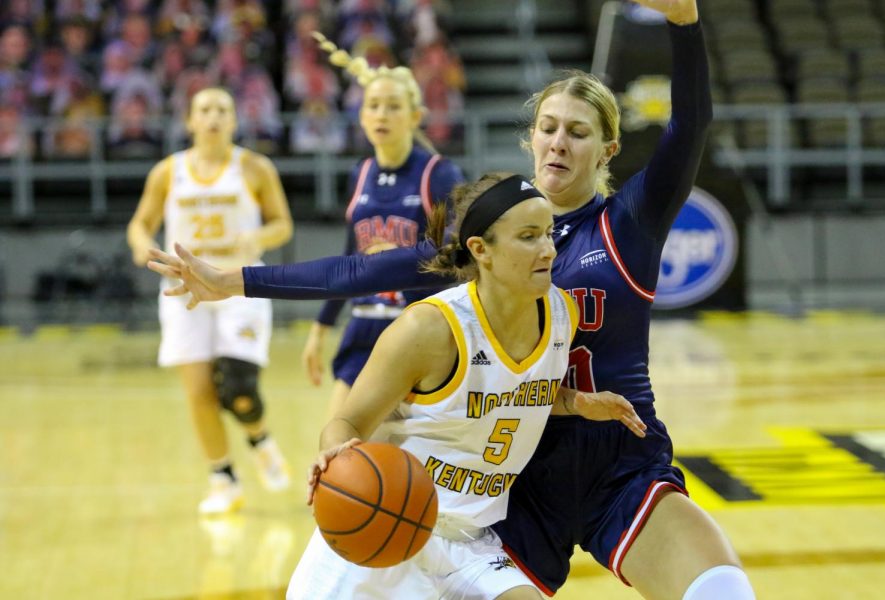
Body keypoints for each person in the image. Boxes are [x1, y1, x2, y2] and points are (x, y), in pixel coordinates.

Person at [147, 1, 757, 598]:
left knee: (722, 589)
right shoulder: (492, 232)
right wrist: (235, 281)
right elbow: (360, 269)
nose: (558, 144)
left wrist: (683, 21)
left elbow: (689, 127)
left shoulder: (629, 223)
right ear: (529, 140)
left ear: (608, 151)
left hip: (618, 461)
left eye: (578, 132)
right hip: (511, 476)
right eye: (547, 128)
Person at [294, 173, 644, 599]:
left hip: (471, 542)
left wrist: (574, 401)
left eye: (549, 233)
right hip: (382, 530)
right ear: (481, 249)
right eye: (529, 237)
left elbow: (515, 388)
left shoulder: (561, 313)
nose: (549, 250)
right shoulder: (429, 329)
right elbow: (349, 420)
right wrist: (333, 452)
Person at [127, 86, 294, 515]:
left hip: (239, 283)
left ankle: (259, 437)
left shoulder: (255, 167)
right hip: (184, 287)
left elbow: (282, 226)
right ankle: (223, 478)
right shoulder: (168, 171)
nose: (213, 116)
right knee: (199, 389)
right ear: (190, 121)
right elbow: (140, 224)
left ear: (235, 120)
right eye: (204, 109)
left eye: (223, 109)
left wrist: (258, 236)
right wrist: (144, 246)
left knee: (239, 388)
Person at [301, 32, 465, 419]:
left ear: (414, 116)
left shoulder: (438, 175)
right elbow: (348, 259)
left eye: (393, 106)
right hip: (363, 326)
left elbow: (457, 258)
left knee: (404, 461)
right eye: (374, 105)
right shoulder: (359, 173)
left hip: (417, 329)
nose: (381, 114)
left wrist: (401, 260)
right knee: (334, 456)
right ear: (361, 114)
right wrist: (320, 328)